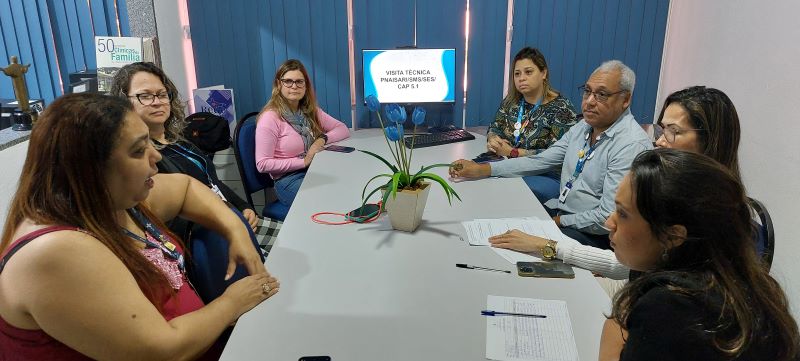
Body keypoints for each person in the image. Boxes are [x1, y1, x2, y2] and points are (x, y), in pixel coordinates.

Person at [0, 93, 279, 360]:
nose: (155, 157)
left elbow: (186, 188)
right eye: (137, 150)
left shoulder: (111, 201)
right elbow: (161, 351)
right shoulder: (55, 252)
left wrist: (236, 229)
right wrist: (232, 303)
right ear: (89, 170)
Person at [485, 86, 744, 280]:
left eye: (674, 132)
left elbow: (628, 264)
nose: (661, 141)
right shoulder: (679, 189)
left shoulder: (708, 214)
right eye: (661, 129)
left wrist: (548, 245)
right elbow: (633, 266)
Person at [598, 149, 799, 361]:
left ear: (673, 236)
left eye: (622, 213)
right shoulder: (747, 286)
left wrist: (613, 328)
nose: (609, 223)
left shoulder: (669, 307)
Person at [451, 60, 652, 249]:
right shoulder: (583, 127)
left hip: (595, 236)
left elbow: (607, 218)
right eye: (588, 92)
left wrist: (555, 222)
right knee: (500, 218)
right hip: (563, 215)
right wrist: (484, 169)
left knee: (512, 246)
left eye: (601, 95)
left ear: (625, 99)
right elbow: (541, 160)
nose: (589, 101)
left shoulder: (631, 145)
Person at [110, 62, 260, 243]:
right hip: (211, 237)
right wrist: (230, 222)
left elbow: (213, 181)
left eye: (162, 94)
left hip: (232, 221)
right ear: (124, 101)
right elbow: (172, 220)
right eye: (145, 96)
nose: (157, 102)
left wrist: (243, 207)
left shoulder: (179, 140)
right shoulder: (142, 159)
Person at [486, 47, 578, 203]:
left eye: (528, 72)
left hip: (545, 175)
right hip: (509, 165)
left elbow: (558, 157)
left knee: (503, 191)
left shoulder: (562, 108)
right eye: (517, 74)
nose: (521, 78)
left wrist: (513, 152)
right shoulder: (511, 101)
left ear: (543, 73)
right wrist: (493, 138)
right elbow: (495, 126)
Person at [255, 59, 350, 208]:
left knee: (346, 188)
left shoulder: (308, 111)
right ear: (279, 85)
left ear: (306, 86)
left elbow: (342, 128)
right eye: (288, 81)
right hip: (288, 180)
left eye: (300, 81)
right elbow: (262, 164)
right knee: (331, 203)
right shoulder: (270, 118)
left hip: (313, 170)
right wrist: (304, 161)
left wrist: (321, 140)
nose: (294, 86)